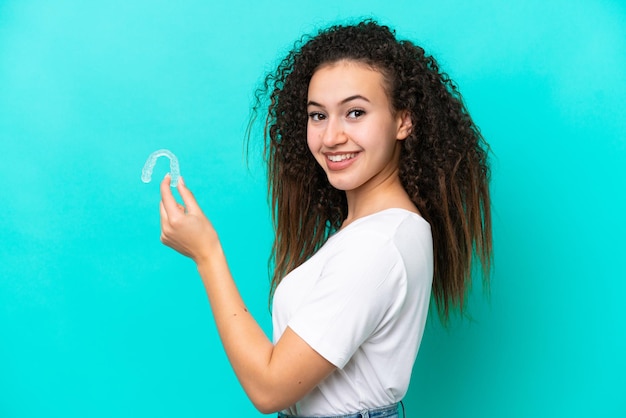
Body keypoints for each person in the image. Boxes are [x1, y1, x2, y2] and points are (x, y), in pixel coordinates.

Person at [159, 20, 492, 418]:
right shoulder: (374, 233)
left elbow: (269, 388)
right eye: (318, 116)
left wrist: (207, 254)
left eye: (355, 112)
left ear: (404, 121)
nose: (331, 136)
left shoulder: (376, 247)